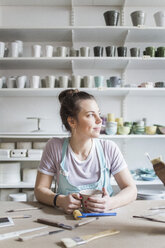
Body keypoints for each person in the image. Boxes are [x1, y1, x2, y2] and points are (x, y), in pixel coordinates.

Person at [34, 89, 137, 214]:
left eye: (99, 114)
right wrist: (60, 200)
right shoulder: (55, 147)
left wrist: (111, 203)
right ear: (72, 121)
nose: (100, 120)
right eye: (90, 115)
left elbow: (131, 190)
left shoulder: (109, 148)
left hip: (106, 219)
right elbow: (40, 190)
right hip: (66, 220)